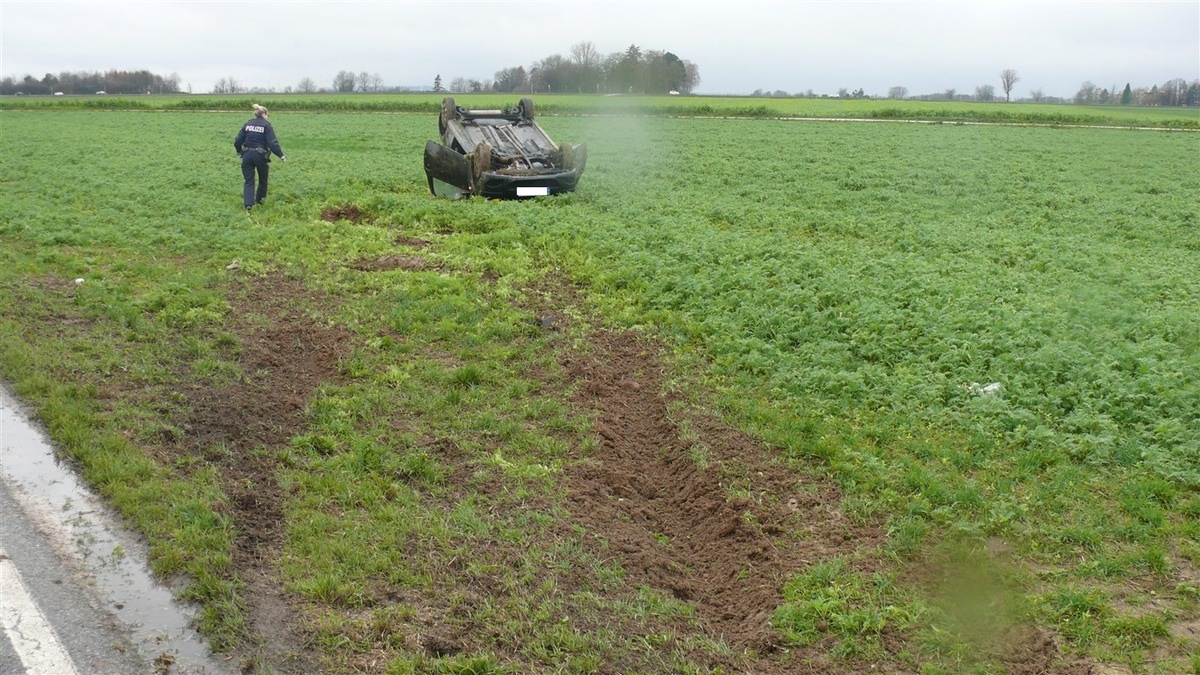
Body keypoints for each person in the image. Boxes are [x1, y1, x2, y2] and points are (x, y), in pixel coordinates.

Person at [233, 104, 286, 210]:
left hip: (247, 155)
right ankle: (260, 202)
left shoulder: (247, 124)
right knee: (263, 180)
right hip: (260, 156)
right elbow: (273, 143)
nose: (268, 117)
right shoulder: (266, 126)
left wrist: (239, 151)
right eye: (268, 115)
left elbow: (238, 140)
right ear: (264, 114)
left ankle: (248, 204)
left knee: (249, 180)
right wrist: (281, 155)